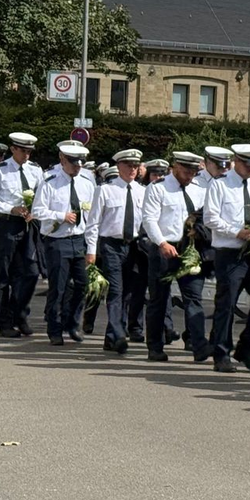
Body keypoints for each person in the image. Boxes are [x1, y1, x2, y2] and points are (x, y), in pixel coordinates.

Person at [203, 143, 250, 374]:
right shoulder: (220, 184)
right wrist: (237, 231)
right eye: (246, 163)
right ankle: (221, 353)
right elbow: (210, 218)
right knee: (227, 304)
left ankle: (247, 346)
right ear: (236, 161)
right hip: (230, 252)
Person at [140, 150, 212, 363]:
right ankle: (155, 346)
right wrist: (161, 242)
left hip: (190, 250)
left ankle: (199, 345)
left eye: (193, 171)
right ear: (175, 166)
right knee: (159, 299)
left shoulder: (200, 190)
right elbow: (149, 219)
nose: (189, 175)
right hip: (164, 249)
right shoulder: (158, 188)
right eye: (185, 170)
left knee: (193, 298)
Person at [32, 140, 97, 345]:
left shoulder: (87, 182)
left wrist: (92, 247)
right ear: (62, 159)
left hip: (79, 240)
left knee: (82, 285)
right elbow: (38, 211)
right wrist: (60, 215)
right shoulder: (50, 181)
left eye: (80, 164)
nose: (77, 167)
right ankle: (55, 328)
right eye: (73, 163)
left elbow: (92, 216)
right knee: (58, 288)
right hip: (57, 240)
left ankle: (72, 323)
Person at [84, 148, 148, 354]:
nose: (132, 169)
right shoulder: (105, 190)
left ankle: (111, 337)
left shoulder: (143, 191)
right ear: (119, 166)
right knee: (116, 291)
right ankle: (119, 334)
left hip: (134, 247)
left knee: (128, 293)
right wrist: (91, 251)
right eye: (128, 165)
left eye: (135, 166)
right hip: (111, 245)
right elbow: (93, 223)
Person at [0, 131, 46, 337]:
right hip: (7, 225)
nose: (27, 155)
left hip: (28, 226)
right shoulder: (0, 170)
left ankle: (19, 313)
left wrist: (35, 211)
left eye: (30, 151)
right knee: (4, 274)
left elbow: (41, 195)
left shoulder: (36, 170)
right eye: (23, 151)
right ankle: (4, 321)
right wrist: (10, 208)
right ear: (13, 149)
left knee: (30, 272)